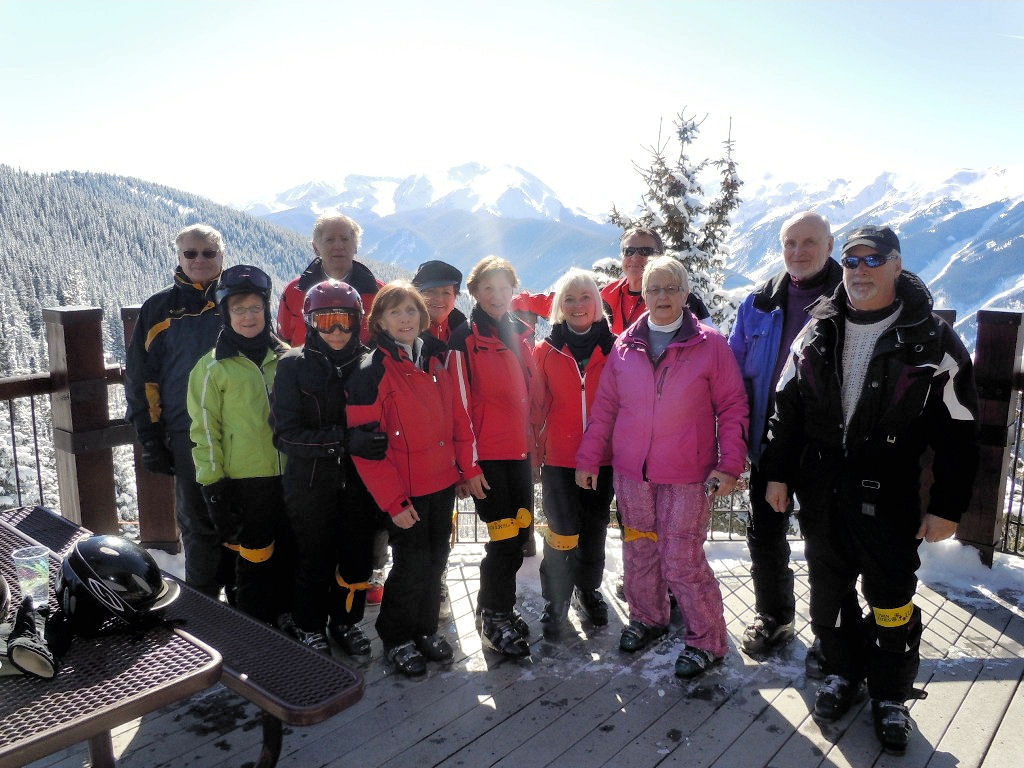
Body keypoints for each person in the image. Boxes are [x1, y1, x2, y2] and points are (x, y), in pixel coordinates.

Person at [761, 225, 979, 751]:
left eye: (873, 259)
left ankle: (890, 694)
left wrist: (948, 507)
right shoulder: (818, 329)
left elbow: (960, 432)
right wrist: (776, 472)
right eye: (852, 261)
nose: (860, 270)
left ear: (896, 266)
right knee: (829, 595)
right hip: (823, 491)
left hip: (889, 494)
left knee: (891, 600)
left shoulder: (931, 340)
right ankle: (843, 672)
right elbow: (786, 408)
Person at [576, 255, 748, 679]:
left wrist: (730, 464)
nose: (662, 296)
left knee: (681, 556)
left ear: (685, 294)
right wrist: (589, 457)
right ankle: (647, 618)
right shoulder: (625, 346)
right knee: (639, 548)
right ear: (644, 294)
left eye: (671, 288)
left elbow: (731, 406)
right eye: (654, 288)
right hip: (633, 473)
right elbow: (606, 408)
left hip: (688, 474)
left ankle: (707, 639)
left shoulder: (710, 345)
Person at [345, 281, 484, 677]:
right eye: (395, 312)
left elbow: (458, 420)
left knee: (436, 560)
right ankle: (396, 637)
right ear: (380, 322)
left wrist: (466, 470)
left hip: (441, 484)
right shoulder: (371, 372)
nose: (405, 319)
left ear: (422, 317)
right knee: (410, 565)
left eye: (410, 310)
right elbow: (367, 451)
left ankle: (423, 630)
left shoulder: (436, 360)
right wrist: (394, 502)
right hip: (405, 491)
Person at [728, 211, 842, 661]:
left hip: (824, 448)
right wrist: (735, 442)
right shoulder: (758, 303)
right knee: (765, 537)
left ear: (829, 245)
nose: (798, 251)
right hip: (768, 443)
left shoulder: (848, 300)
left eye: (809, 242)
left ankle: (830, 630)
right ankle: (773, 617)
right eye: (790, 243)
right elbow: (734, 376)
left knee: (826, 543)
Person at [270, 279, 388, 655]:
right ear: (309, 322)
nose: (337, 331)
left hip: (359, 483)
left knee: (356, 560)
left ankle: (345, 622)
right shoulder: (293, 366)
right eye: (325, 321)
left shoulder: (370, 364)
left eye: (345, 320)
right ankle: (310, 624)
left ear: (358, 321)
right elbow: (285, 436)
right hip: (310, 482)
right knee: (314, 558)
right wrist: (343, 442)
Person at [125, 224, 234, 598]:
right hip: (186, 431)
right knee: (198, 521)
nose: (199, 259)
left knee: (242, 515)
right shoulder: (158, 308)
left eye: (208, 252)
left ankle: (245, 602)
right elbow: (142, 377)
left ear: (222, 256)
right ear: (179, 257)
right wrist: (151, 436)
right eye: (190, 253)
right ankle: (205, 602)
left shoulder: (239, 301)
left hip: (241, 428)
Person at [186, 265, 289, 623]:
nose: (248, 316)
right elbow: (204, 432)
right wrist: (214, 486)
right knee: (253, 556)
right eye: (239, 309)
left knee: (287, 550)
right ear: (225, 313)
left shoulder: (286, 358)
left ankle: (285, 615)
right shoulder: (212, 368)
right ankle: (254, 625)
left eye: (255, 307)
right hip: (245, 480)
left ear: (266, 309)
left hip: (289, 475)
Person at [448, 256, 538, 658]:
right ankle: (494, 617)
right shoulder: (464, 341)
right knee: (503, 541)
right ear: (474, 293)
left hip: (519, 456)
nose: (497, 296)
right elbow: (460, 406)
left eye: (504, 288)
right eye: (488, 288)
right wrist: (468, 467)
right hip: (487, 460)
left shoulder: (520, 334)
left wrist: (535, 452)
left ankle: (494, 606)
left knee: (518, 537)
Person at [531, 268, 616, 639]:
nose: (578, 305)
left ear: (597, 303)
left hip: (603, 460)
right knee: (561, 533)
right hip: (559, 460)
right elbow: (535, 409)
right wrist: (535, 457)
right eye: (569, 298)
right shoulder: (545, 352)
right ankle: (556, 600)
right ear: (559, 306)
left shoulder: (616, 350)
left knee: (594, 529)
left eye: (585, 297)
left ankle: (588, 589)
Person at [277, 214, 382, 346]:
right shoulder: (294, 291)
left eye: (345, 239)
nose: (338, 246)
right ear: (316, 248)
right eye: (330, 240)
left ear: (356, 246)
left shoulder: (380, 294)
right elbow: (283, 340)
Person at [601, 226, 714, 335]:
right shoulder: (606, 295)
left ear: (660, 256)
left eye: (645, 251)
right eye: (629, 251)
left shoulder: (683, 299)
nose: (635, 257)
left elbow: (710, 341)